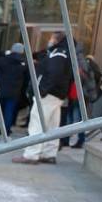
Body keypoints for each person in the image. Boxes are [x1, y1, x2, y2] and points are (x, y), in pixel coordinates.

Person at [13, 32, 73, 165]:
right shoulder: (65, 53)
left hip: (48, 94)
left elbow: (53, 74)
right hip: (56, 94)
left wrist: (42, 90)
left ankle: (31, 155)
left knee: (37, 123)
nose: (49, 40)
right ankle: (48, 153)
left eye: (51, 38)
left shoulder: (58, 54)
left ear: (57, 40)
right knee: (52, 126)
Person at [0, 43, 27, 140]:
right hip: (14, 91)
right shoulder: (24, 62)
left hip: (0, 90)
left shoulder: (3, 60)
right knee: (9, 112)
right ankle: (6, 133)